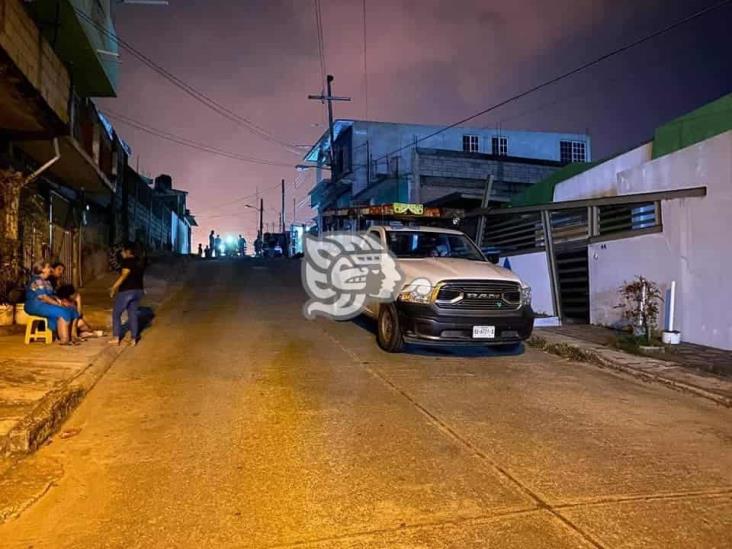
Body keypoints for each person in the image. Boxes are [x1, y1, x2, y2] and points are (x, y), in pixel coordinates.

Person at [24, 261, 80, 346]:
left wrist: (62, 301)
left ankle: (73, 336)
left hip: (45, 304)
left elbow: (52, 295)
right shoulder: (37, 281)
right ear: (42, 269)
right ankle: (64, 339)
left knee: (72, 309)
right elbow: (44, 297)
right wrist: (58, 304)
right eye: (48, 267)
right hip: (36, 305)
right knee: (62, 311)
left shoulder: (47, 281)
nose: (50, 269)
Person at [109, 242, 145, 346]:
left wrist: (113, 287)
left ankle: (116, 337)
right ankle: (134, 339)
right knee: (132, 314)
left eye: (123, 251)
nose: (121, 253)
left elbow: (124, 275)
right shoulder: (139, 262)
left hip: (127, 291)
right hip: (138, 291)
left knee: (116, 313)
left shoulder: (127, 261)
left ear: (128, 251)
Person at [49, 262, 96, 338]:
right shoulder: (50, 283)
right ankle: (77, 334)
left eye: (62, 271)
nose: (61, 272)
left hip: (65, 315)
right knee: (83, 325)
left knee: (84, 324)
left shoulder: (59, 284)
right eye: (59, 269)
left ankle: (80, 333)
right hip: (58, 320)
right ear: (52, 269)